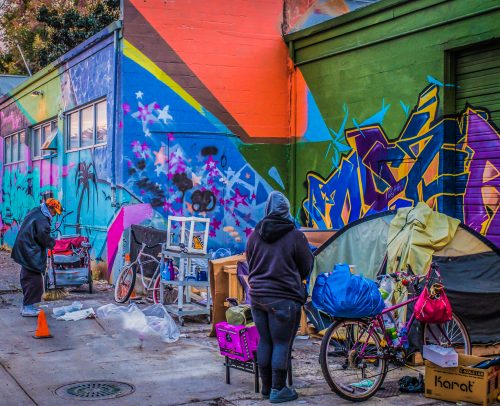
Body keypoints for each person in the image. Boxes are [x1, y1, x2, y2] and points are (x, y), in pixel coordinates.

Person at [246, 191, 314, 403]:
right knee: (282, 343)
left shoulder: (254, 235)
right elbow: (307, 266)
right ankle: (278, 389)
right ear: (286, 211)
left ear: (267, 209)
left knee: (265, 341)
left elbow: (250, 262)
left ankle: (266, 388)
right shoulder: (295, 236)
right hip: (284, 300)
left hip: (257, 297)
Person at [11, 198, 62, 317]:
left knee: (27, 277)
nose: (54, 215)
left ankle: (27, 305)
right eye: (54, 212)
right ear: (50, 208)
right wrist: (53, 244)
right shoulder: (42, 219)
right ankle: (28, 308)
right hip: (30, 252)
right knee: (34, 280)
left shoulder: (37, 211)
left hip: (25, 249)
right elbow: (43, 236)